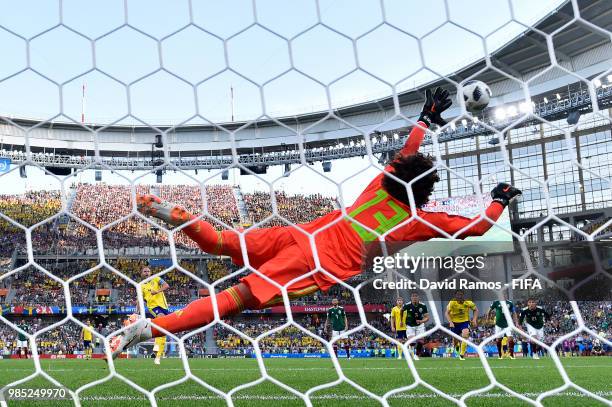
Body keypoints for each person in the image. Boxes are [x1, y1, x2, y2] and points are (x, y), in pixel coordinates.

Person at [109, 88, 522, 358]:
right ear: (424, 191)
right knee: (236, 300)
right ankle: (151, 329)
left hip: (302, 232)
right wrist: (498, 201)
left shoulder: (380, 185)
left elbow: (406, 151)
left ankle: (183, 219)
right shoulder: (417, 220)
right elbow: (477, 229)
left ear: (398, 175)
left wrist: (426, 118)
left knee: (222, 242)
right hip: (318, 262)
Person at [141, 266, 170, 365]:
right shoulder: (141, 286)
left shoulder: (157, 279)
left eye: (148, 271)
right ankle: (156, 346)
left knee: (164, 330)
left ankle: (158, 356)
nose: (146, 273)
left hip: (164, 306)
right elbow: (140, 299)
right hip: (153, 307)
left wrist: (157, 291)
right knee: (161, 318)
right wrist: (137, 311)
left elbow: (166, 285)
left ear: (150, 272)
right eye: (144, 271)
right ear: (142, 273)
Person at [445, 290, 479, 360]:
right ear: (455, 296)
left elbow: (476, 310)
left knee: (465, 335)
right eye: (458, 295)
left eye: (461, 295)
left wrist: (474, 319)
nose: (459, 296)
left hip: (464, 322)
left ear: (463, 295)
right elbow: (446, 313)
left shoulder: (468, 303)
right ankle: (457, 350)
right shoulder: (452, 303)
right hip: (454, 323)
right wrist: (450, 322)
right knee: (455, 341)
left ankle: (462, 354)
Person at [404, 292, 429, 361]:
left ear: (419, 297)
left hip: (420, 325)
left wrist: (421, 321)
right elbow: (401, 311)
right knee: (412, 342)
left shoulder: (423, 306)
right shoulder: (407, 305)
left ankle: (416, 355)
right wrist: (401, 321)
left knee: (421, 341)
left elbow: (427, 317)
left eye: (416, 296)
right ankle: (411, 348)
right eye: (413, 296)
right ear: (411, 298)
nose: (414, 298)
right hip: (410, 325)